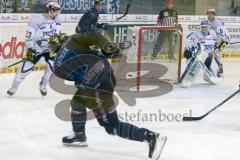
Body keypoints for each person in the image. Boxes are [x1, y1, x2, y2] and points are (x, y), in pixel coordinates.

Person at [48, 28, 167, 159]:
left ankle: (148, 136)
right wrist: (110, 50)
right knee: (77, 103)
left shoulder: (56, 68)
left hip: (95, 85)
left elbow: (78, 78)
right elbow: (95, 36)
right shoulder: (72, 40)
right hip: (105, 75)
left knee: (111, 125)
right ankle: (79, 135)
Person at [7, 1, 62, 96]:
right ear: (50, 10)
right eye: (56, 11)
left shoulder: (57, 21)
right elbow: (28, 37)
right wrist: (30, 49)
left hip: (49, 49)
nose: (58, 13)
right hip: (36, 49)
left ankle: (43, 85)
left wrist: (59, 44)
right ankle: (13, 88)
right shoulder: (35, 21)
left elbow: (58, 36)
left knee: (52, 67)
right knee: (23, 70)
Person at [180, 20, 221, 88]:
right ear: (200, 27)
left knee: (210, 57)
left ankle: (207, 77)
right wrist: (195, 52)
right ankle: (187, 78)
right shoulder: (196, 34)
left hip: (202, 53)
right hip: (189, 52)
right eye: (203, 27)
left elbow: (212, 47)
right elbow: (191, 44)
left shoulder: (212, 35)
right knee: (194, 63)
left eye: (206, 27)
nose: (204, 29)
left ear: (209, 27)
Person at [201, 9, 230, 77]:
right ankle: (212, 67)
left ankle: (219, 69)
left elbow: (221, 36)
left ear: (214, 15)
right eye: (208, 14)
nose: (209, 15)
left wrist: (216, 43)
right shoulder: (207, 22)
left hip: (224, 40)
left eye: (211, 14)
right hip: (218, 40)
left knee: (213, 53)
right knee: (211, 53)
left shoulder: (217, 23)